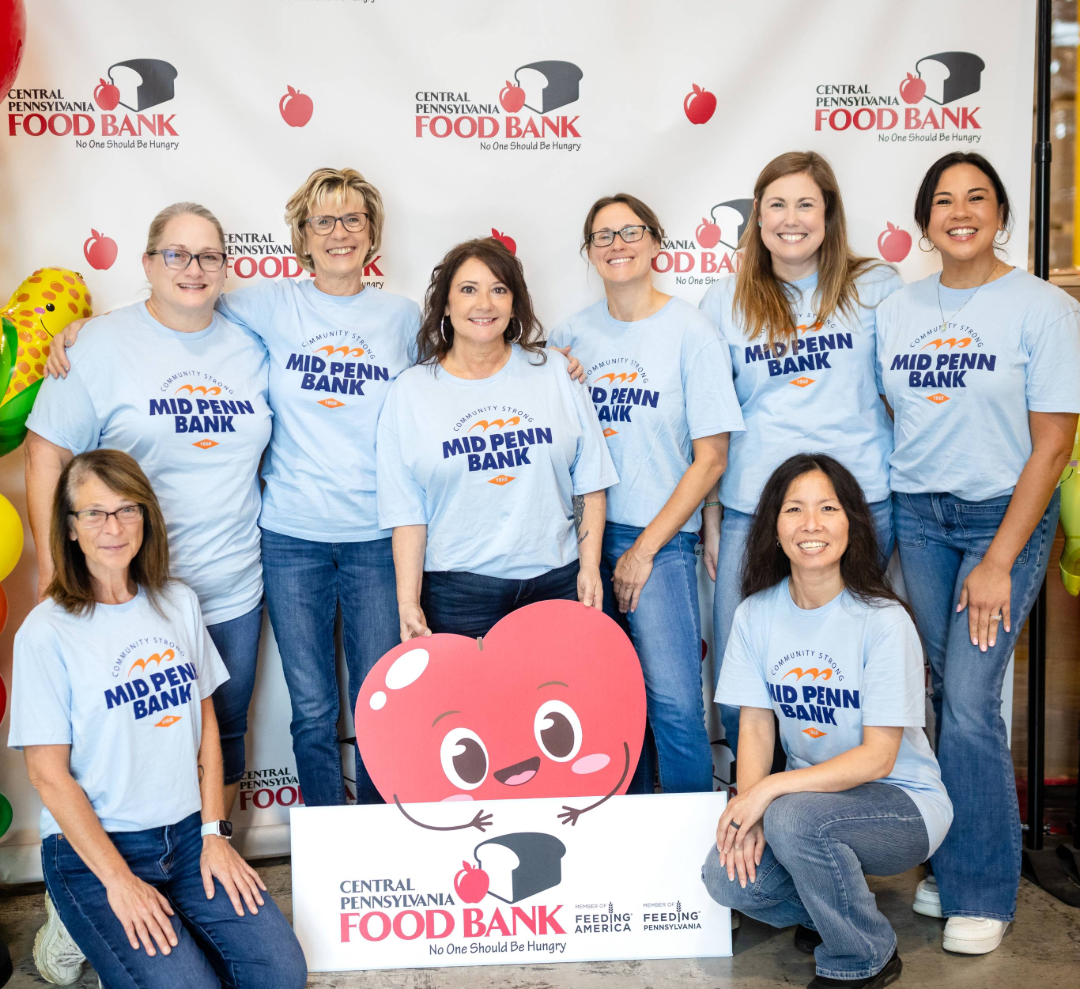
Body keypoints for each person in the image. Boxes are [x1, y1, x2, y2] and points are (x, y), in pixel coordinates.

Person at [47, 169, 417, 808]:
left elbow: (468, 359)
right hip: (291, 537)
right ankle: (326, 842)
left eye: (352, 219)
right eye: (322, 220)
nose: (338, 232)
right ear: (300, 235)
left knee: (380, 700)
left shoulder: (404, 316)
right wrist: (87, 329)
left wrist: (543, 357)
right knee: (312, 708)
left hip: (375, 537)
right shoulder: (265, 304)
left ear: (372, 233)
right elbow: (172, 303)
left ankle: (378, 842)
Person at [8, 450, 306, 989]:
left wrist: (216, 833)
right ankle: (72, 925)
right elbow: (46, 774)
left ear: (146, 517)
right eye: (93, 513)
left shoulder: (176, 602)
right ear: (68, 525)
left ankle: (166, 927)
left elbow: (207, 730)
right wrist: (117, 880)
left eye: (125, 510)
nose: (112, 527)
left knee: (278, 983)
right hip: (100, 850)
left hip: (187, 839)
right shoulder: (47, 631)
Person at [877, 151, 1080, 954]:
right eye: (944, 201)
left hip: (1003, 517)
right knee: (939, 696)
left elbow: (1055, 441)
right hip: (919, 518)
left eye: (978, 198)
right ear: (927, 220)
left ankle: (984, 891)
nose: (961, 212)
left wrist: (998, 558)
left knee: (967, 701)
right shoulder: (899, 308)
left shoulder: (1042, 308)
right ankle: (958, 859)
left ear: (1001, 214)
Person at [26, 202, 272, 827]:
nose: (193, 269)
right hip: (126, 596)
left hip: (229, 588)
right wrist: (60, 572)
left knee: (223, 737)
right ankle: (127, 871)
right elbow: (45, 454)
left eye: (209, 256)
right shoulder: (101, 344)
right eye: (176, 254)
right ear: (147, 263)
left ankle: (214, 853)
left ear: (225, 266)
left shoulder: (254, 341)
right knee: (130, 747)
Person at [701, 453, 952, 989]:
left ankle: (865, 953)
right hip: (813, 804)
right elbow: (757, 729)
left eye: (827, 508)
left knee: (791, 817)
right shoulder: (755, 615)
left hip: (902, 805)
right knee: (726, 878)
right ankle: (830, 904)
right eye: (794, 509)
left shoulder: (882, 621)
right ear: (773, 528)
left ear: (850, 525)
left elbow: (879, 758)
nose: (811, 524)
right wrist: (748, 806)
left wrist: (768, 792)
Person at [698, 151, 902, 757]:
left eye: (806, 204)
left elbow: (909, 392)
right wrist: (712, 519)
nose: (792, 219)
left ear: (829, 214)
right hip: (751, 508)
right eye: (776, 205)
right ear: (757, 220)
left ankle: (830, 805)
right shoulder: (724, 300)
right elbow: (712, 418)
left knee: (843, 666)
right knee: (744, 670)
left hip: (860, 501)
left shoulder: (877, 289)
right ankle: (752, 801)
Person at [550, 193, 744, 794]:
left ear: (657, 243)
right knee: (602, 711)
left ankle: (693, 859)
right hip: (576, 541)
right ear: (589, 253)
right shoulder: (569, 336)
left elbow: (711, 457)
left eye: (630, 232)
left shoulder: (692, 331)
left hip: (654, 542)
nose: (618, 245)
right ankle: (623, 846)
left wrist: (644, 551)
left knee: (675, 706)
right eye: (603, 237)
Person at [377, 237, 617, 641]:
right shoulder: (411, 391)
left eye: (499, 290)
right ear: (446, 304)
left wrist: (589, 567)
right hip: (458, 594)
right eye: (468, 290)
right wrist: (408, 601)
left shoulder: (557, 372)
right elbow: (406, 511)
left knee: (554, 705)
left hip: (556, 582)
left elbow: (589, 481)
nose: (484, 304)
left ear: (514, 303)